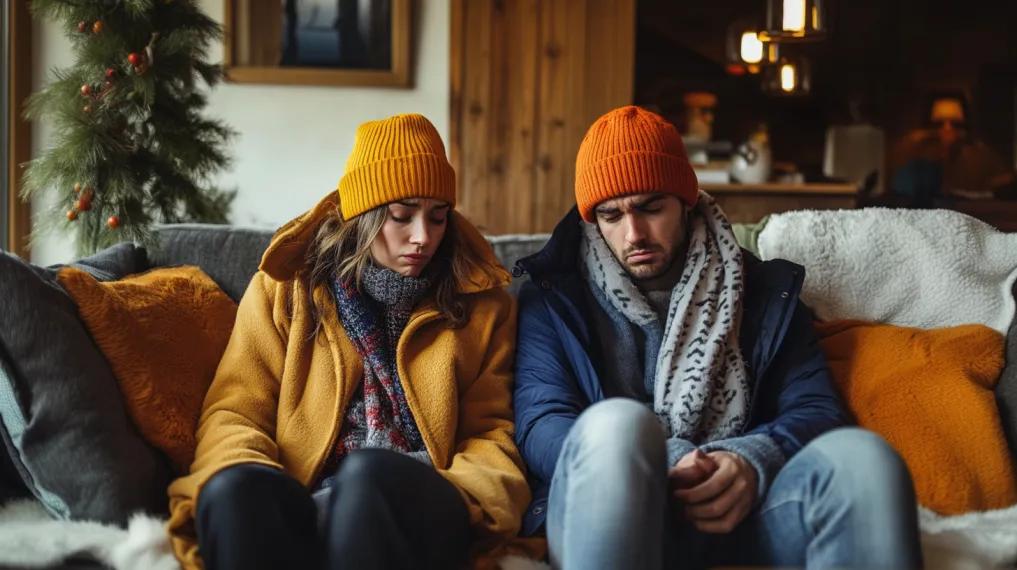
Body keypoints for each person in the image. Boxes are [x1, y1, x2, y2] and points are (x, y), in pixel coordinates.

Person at [512, 105, 923, 569]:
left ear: (686, 200)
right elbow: (539, 424)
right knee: (619, 426)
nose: (634, 233)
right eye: (611, 215)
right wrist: (649, 462)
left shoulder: (763, 291)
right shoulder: (551, 296)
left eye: (651, 207)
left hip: (738, 509)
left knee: (864, 460)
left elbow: (815, 408)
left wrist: (751, 459)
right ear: (592, 221)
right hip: (604, 507)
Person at [167, 114, 529, 570]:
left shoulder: (483, 307)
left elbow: (493, 434)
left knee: (367, 473)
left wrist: (465, 496)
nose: (423, 238)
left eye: (438, 218)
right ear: (363, 214)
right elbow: (237, 409)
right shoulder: (286, 289)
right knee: (233, 488)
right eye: (401, 216)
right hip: (304, 493)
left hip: (422, 498)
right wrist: (254, 472)